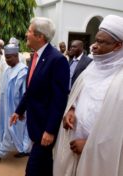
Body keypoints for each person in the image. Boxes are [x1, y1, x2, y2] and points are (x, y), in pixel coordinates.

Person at [53, 14, 123, 176]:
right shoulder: (90, 71)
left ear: (118, 45)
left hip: (100, 160)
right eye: (95, 40)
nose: (94, 46)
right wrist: (71, 110)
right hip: (73, 149)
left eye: (101, 42)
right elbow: (77, 97)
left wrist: (90, 146)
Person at [10, 17, 70, 176]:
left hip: (45, 128)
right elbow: (31, 90)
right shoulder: (35, 56)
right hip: (35, 125)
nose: (26, 34)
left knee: (33, 170)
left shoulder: (57, 60)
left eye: (29, 31)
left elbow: (60, 99)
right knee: (45, 168)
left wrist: (50, 130)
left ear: (39, 36)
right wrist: (19, 110)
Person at [0, 44, 32, 163]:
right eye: (6, 57)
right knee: (8, 129)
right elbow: (3, 89)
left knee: (13, 130)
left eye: (9, 57)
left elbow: (25, 93)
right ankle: (25, 149)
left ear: (16, 56)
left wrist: (21, 110)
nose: (6, 60)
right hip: (6, 107)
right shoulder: (7, 70)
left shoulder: (22, 71)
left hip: (16, 108)